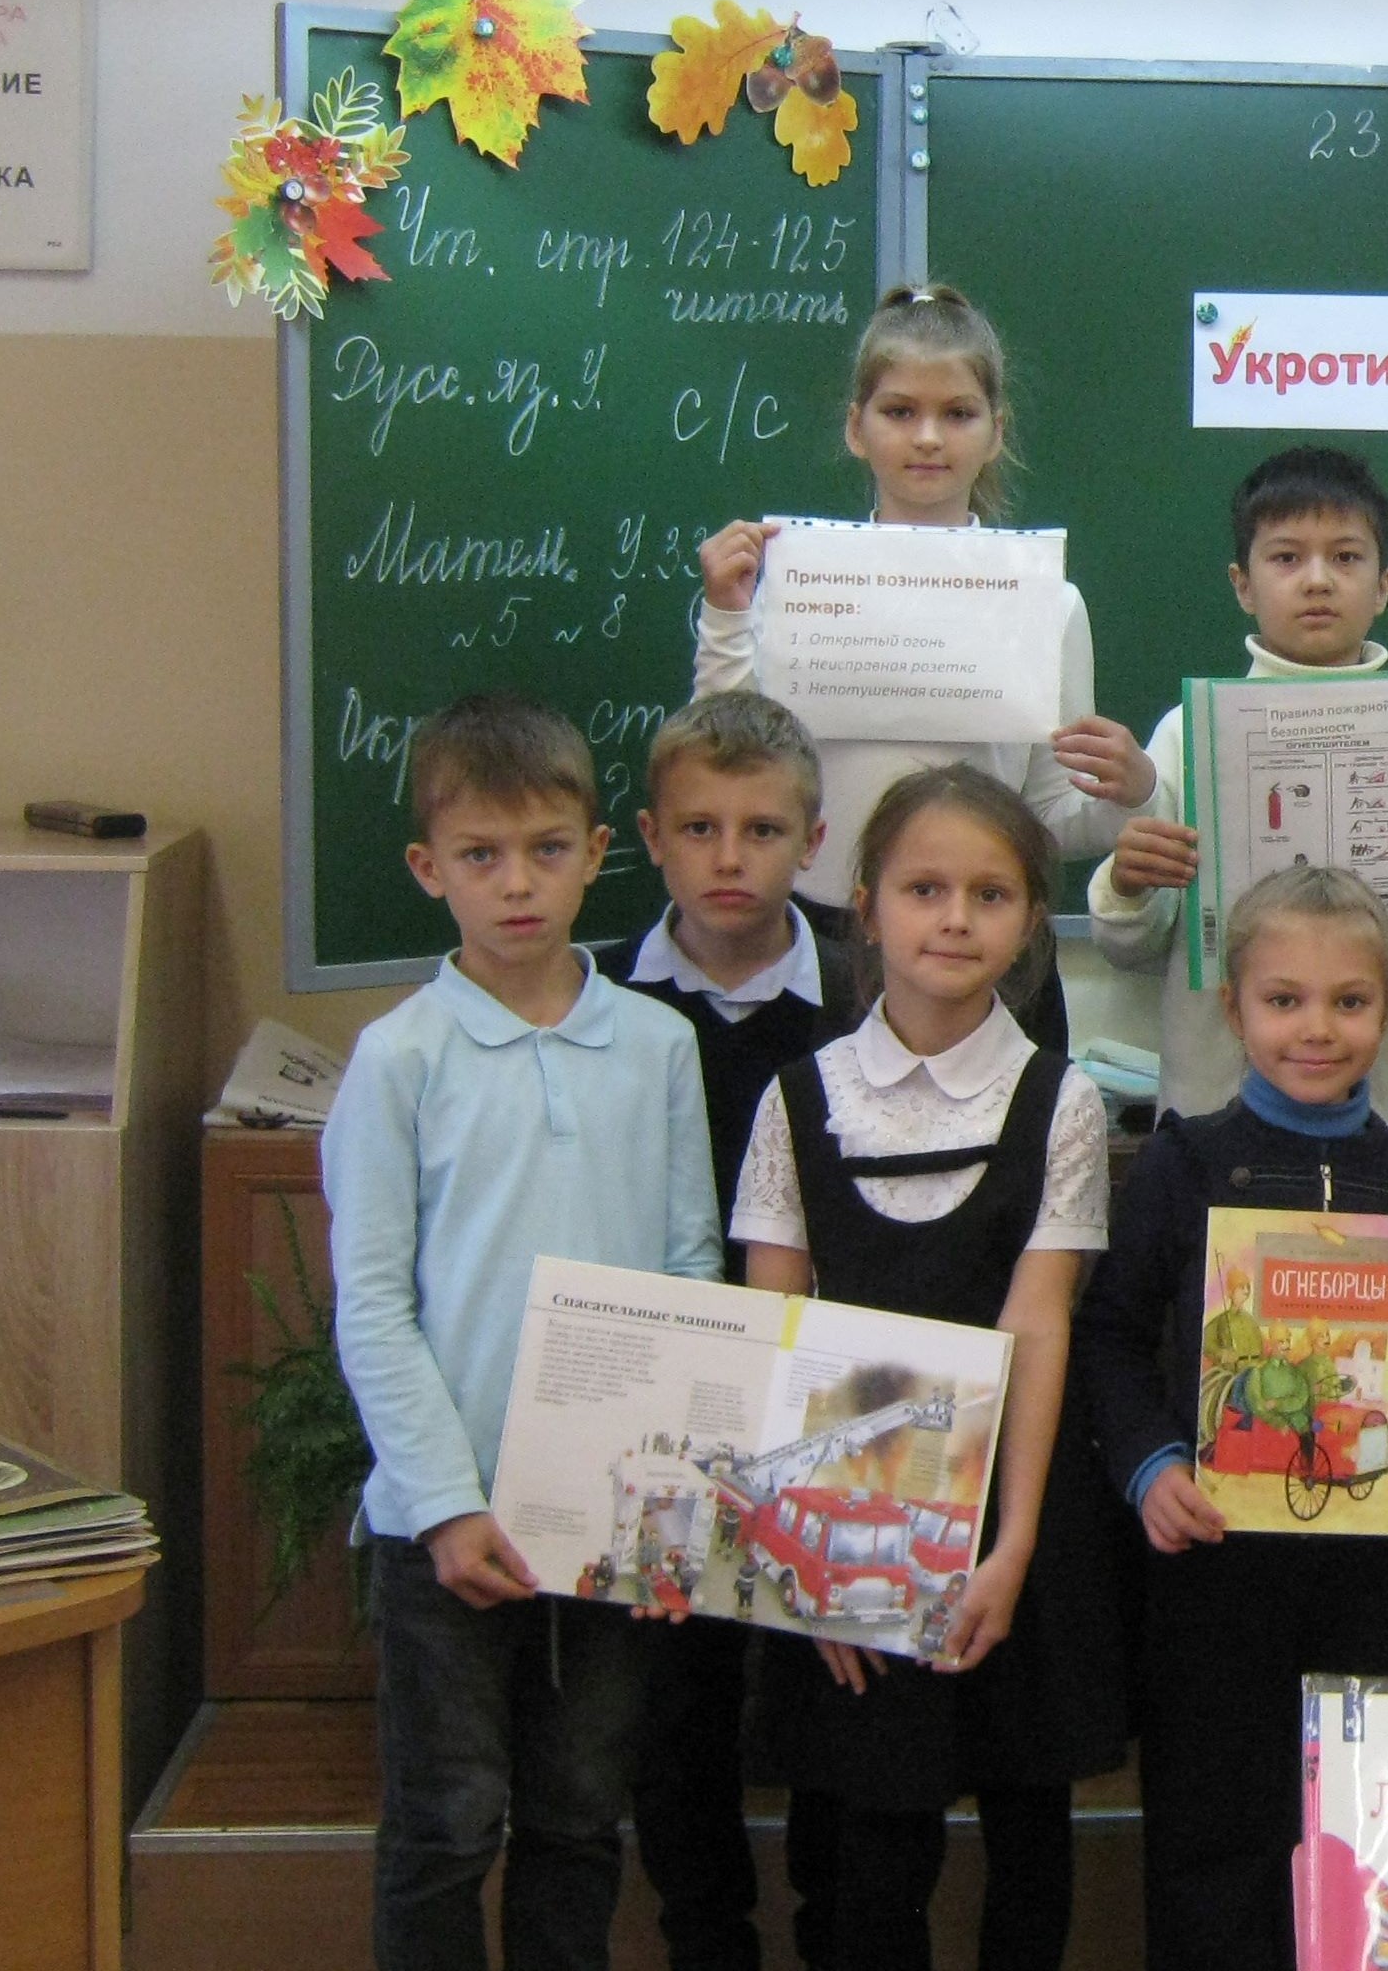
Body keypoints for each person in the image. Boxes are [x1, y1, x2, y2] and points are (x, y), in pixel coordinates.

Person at [321, 692, 720, 1971]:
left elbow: (690, 1271)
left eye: (547, 849)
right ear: (427, 868)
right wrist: (445, 1503)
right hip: (443, 1521)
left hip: (607, 1514)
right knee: (445, 1823)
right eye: (481, 855)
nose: (516, 883)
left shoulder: (657, 1044)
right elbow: (373, 1303)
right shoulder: (400, 1057)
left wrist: (670, 1503)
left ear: (598, 851)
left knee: (578, 1814)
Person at [730, 766, 1120, 1971]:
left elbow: (1038, 1322)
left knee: (1028, 1832)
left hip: (1015, 1511)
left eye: (990, 893)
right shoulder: (798, 1097)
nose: (955, 917)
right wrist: (804, 1555)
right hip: (847, 1523)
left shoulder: (1061, 1097)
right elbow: (773, 1325)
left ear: (1030, 919)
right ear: (866, 903)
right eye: (924, 888)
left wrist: (1012, 1543)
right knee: (873, 1847)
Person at [1083, 865, 1388, 1970]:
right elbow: (1110, 1336)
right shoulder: (1182, 1164)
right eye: (1284, 999)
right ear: (1234, 1008)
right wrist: (1150, 1463)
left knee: (1370, 1836)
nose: (1317, 1028)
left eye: (1349, 1000)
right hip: (1213, 1574)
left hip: (1376, 1578)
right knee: (1213, 1834)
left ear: (1387, 1009)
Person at [694, 283, 1156, 1046]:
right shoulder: (792, 582)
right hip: (824, 937)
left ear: (996, 432)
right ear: (857, 427)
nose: (929, 437)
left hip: (984, 940)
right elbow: (728, 760)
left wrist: (1131, 793)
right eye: (901, 411)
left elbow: (1047, 814)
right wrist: (725, 613)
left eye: (959, 414)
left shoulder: (1048, 602)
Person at [592, 689, 862, 1970]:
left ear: (813, 841)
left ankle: (832, 1930)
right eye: (698, 827)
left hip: (832, 1385)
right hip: (664, 1391)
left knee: (829, 1679)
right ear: (651, 835)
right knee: (677, 1692)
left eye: (762, 829)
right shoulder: (596, 997)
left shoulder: (873, 983)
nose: (729, 856)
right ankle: (708, 1938)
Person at [1088, 445, 1388, 1135]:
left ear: (1383, 586)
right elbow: (1133, 951)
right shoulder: (1189, 735)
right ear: (1243, 585)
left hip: (1382, 1123)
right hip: (1215, 1113)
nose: (1317, 581)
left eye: (1345, 557)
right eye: (1286, 558)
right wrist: (1128, 888)